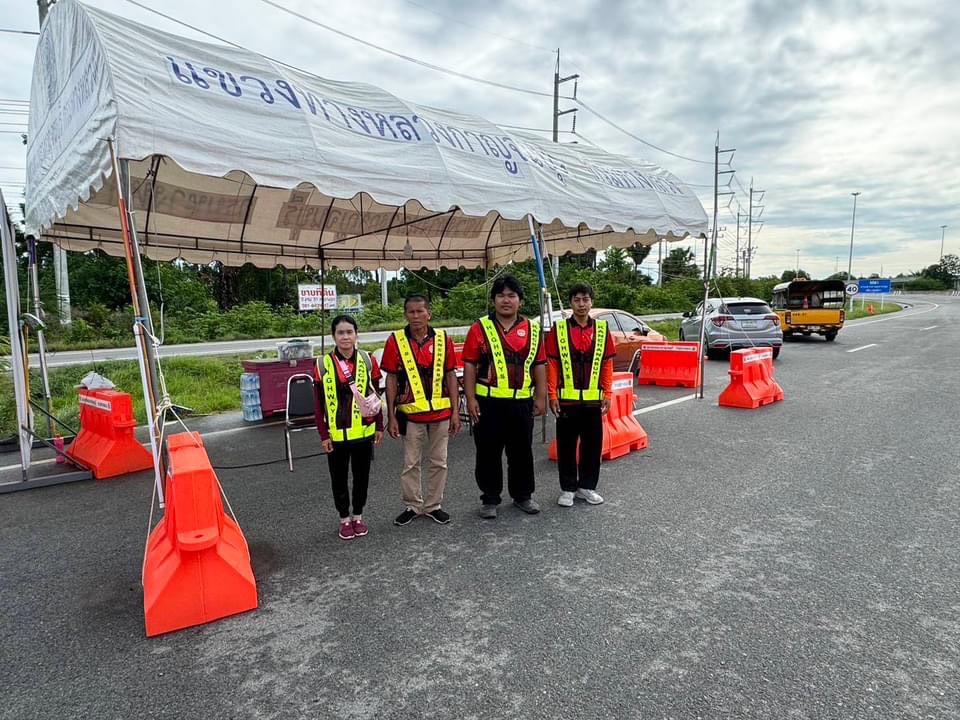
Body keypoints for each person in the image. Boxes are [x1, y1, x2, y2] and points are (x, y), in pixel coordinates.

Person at [462, 275, 547, 519]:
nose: (506, 300)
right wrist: (470, 398)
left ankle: (523, 495)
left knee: (521, 452)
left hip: (521, 403)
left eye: (511, 295)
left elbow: (540, 364)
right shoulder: (479, 328)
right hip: (488, 403)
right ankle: (490, 498)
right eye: (501, 295)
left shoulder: (532, 329)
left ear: (520, 300)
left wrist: (541, 396)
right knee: (488, 452)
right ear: (493, 300)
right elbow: (469, 365)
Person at [381, 294, 461, 526]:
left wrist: (456, 412)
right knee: (410, 464)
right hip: (410, 415)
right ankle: (413, 506)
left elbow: (451, 376)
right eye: (411, 312)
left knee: (439, 462)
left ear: (429, 314)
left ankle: (434, 505)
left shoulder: (443, 339)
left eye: (420, 311)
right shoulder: (395, 341)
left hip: (441, 414)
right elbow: (391, 379)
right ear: (405, 315)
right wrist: (391, 416)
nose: (415, 316)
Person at [313, 314, 384, 541]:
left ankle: (358, 516)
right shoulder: (322, 364)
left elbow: (375, 395)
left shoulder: (368, 359)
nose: (345, 337)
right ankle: (344, 518)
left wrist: (380, 425)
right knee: (339, 479)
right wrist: (323, 435)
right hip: (336, 435)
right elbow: (318, 404)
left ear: (356, 335)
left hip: (364, 432)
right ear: (333, 336)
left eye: (349, 332)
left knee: (362, 477)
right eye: (340, 333)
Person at [545, 283, 616, 507]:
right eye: (577, 300)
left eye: (585, 299)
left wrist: (608, 393)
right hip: (566, 401)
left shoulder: (602, 329)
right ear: (570, 303)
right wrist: (552, 395)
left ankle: (587, 487)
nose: (581, 304)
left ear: (591, 302)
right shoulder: (559, 329)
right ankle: (567, 488)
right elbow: (552, 364)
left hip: (593, 401)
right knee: (566, 446)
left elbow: (607, 364)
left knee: (592, 446)